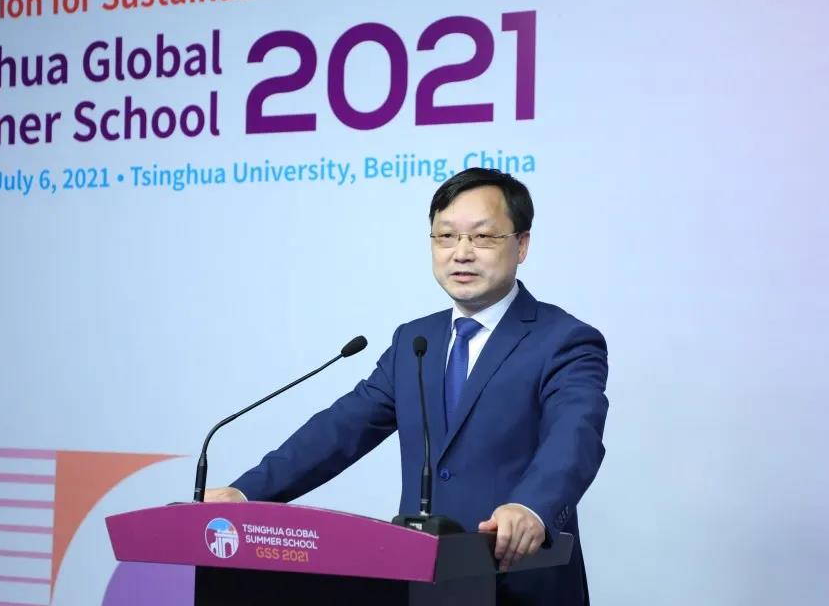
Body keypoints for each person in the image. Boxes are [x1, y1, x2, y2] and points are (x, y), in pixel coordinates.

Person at [206, 167, 609, 605]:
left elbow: (575, 437)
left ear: (522, 244)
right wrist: (245, 494)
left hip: (523, 583)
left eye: (482, 237)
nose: (462, 253)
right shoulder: (415, 341)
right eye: (446, 236)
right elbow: (340, 429)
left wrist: (531, 507)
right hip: (422, 584)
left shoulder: (564, 340)